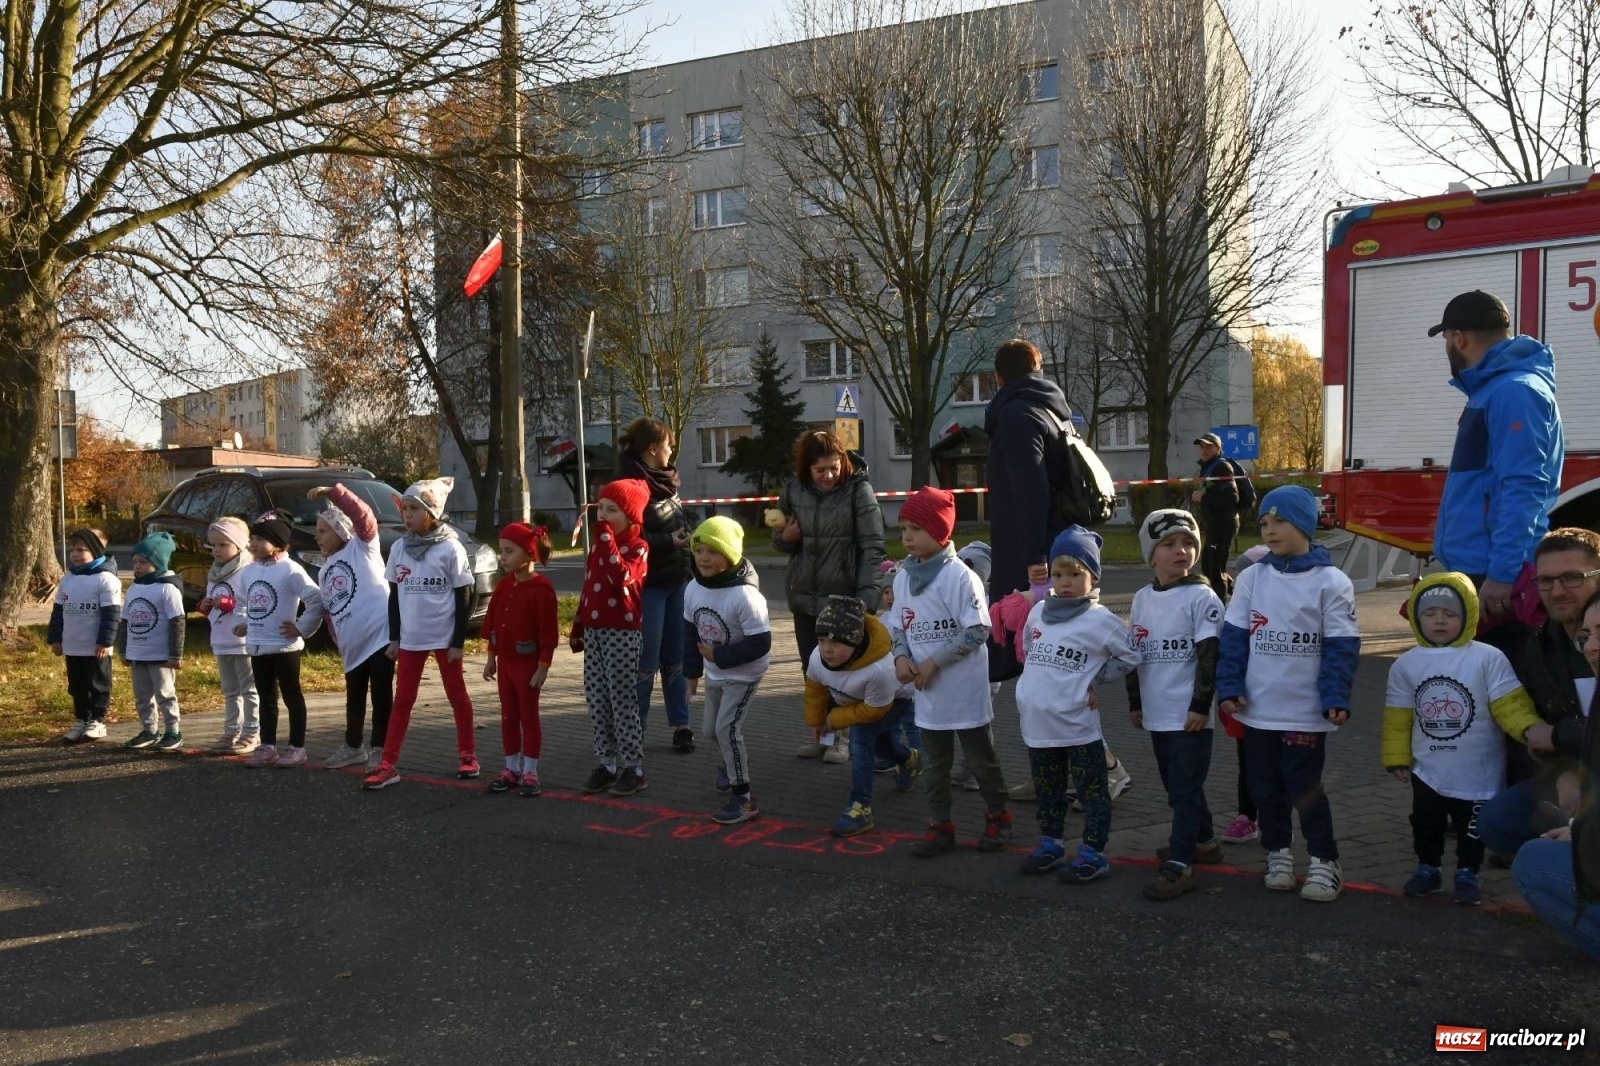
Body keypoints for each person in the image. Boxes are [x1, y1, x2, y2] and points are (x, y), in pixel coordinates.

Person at [1217, 485, 1360, 902]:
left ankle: (1325, 860)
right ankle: (1277, 853)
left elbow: (1341, 646)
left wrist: (1335, 696)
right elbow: (1234, 639)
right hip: (1258, 711)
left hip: (1304, 713)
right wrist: (1230, 686)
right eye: (1264, 522)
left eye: (1280, 521)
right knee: (1265, 789)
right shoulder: (1251, 578)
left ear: (1304, 523)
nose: (1270, 530)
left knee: (1305, 788)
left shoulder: (1332, 582)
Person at [1381, 574, 1548, 906]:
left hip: (1479, 768)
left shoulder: (1488, 658)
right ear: (1416, 617)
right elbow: (1398, 717)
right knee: (1426, 823)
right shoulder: (1405, 664)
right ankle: (1427, 868)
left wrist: (1530, 730)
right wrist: (1396, 757)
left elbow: (1510, 704)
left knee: (1472, 826)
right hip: (1428, 768)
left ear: (1469, 613)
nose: (1439, 620)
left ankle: (1467, 872)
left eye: (1450, 613)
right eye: (1430, 613)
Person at [1428, 290, 1563, 650]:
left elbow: (1524, 488)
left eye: (1446, 338)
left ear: (1459, 338)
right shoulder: (1497, 389)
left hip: (1493, 575)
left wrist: (1503, 574)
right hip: (1483, 569)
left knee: (1504, 680)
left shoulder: (1512, 391)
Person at [1013, 525, 1142, 884]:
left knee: (1091, 791)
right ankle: (1051, 843)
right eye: (1058, 574)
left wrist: (1093, 680)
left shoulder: (1100, 620)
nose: (1065, 582)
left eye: (1075, 574)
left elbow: (1130, 656)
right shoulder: (1039, 611)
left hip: (1076, 726)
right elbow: (1029, 649)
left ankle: (1093, 852)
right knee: (1048, 790)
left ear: (1093, 576)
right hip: (1037, 725)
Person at [888, 487, 1012, 857]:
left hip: (963, 690)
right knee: (934, 764)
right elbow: (898, 626)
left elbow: (977, 630)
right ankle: (940, 825)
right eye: (904, 529)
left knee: (981, 759)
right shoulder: (902, 577)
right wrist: (900, 658)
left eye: (917, 529)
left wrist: (932, 663)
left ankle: (999, 817)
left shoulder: (959, 576)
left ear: (940, 531)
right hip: (929, 695)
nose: (908, 537)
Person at [1479, 528, 1598, 856]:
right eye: (1546, 580)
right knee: (1497, 822)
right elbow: (1535, 735)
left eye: (1572, 578)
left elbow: (1552, 734)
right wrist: (1562, 774)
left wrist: (1558, 736)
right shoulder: (1539, 645)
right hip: (1575, 769)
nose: (1557, 591)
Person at [1127, 509, 1227, 900]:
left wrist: (1201, 705)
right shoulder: (1142, 598)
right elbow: (1135, 653)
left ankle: (1181, 863)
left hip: (1189, 715)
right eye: (1168, 544)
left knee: (1183, 789)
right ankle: (1204, 841)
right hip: (1157, 712)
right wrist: (1135, 702)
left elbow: (1210, 655)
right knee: (1177, 784)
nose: (1180, 550)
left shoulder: (1202, 596)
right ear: (1151, 556)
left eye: (1187, 543)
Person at [772, 429, 885, 763]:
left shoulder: (858, 491)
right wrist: (786, 538)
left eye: (834, 467)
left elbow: (873, 547)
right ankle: (821, 736)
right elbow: (779, 538)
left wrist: (866, 599)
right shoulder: (793, 490)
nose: (828, 475)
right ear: (806, 467)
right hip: (804, 599)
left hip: (843, 600)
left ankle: (842, 740)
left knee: (843, 675)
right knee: (814, 672)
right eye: (820, 470)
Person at [362, 478, 476, 790]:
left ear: (432, 513)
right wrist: (395, 638)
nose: (407, 514)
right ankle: (388, 763)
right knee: (403, 700)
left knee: (457, 695)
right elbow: (394, 597)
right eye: (405, 508)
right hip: (411, 639)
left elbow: (465, 596)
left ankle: (468, 754)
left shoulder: (451, 547)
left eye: (414, 509)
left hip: (444, 638)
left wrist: (457, 641)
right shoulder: (400, 548)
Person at [1511, 590, 1600, 961]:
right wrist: (1581, 830)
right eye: (1586, 636)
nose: (1592, 646)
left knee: (1532, 862)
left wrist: (1584, 839)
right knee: (1516, 821)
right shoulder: (1539, 645)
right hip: (1575, 787)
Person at [983, 338, 1072, 676]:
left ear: (999, 377)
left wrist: (1035, 557)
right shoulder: (1052, 409)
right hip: (1058, 534)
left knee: (1029, 643)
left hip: (1028, 545)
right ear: (1037, 370)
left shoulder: (1015, 414)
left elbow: (1029, 487)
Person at [803, 595, 921, 838]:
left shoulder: (879, 670)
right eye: (822, 640)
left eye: (835, 642)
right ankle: (909, 759)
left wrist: (833, 720)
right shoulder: (817, 657)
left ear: (855, 642)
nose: (826, 649)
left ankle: (860, 807)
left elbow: (874, 711)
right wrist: (816, 720)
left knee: (860, 741)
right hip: (860, 700)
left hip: (892, 701)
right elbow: (815, 688)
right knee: (881, 746)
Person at [681, 516, 771, 825]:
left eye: (713, 552)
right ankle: (733, 760)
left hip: (744, 674)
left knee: (726, 730)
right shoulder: (693, 588)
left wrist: (719, 654)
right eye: (699, 550)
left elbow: (761, 643)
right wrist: (692, 674)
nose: (703, 558)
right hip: (715, 671)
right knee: (711, 731)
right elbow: (689, 633)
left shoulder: (745, 596)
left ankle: (744, 797)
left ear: (730, 556)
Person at [616, 417, 696, 754]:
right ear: (652, 449)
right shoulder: (630, 485)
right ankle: (636, 730)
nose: (671, 452)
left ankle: (682, 725)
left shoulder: (667, 481)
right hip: (648, 585)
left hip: (677, 580)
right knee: (646, 659)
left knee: (676, 657)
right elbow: (626, 536)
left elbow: (674, 521)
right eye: (668, 446)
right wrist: (668, 542)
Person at [570, 479, 652, 797]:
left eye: (612, 510)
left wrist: (605, 538)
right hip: (595, 632)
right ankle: (607, 763)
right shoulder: (598, 546)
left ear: (631, 518)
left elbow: (622, 577)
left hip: (622, 633)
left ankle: (634, 767)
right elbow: (589, 587)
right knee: (597, 698)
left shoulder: (638, 548)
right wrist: (579, 625)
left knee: (621, 700)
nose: (602, 516)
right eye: (600, 508)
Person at [307, 484, 393, 772]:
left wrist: (334, 493)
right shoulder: (324, 570)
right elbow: (330, 612)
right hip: (352, 646)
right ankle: (353, 746)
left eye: (323, 531)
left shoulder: (363, 547)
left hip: (380, 636)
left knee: (381, 695)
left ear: (341, 531)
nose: (317, 537)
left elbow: (363, 515)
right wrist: (338, 640)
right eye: (317, 532)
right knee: (354, 696)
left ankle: (381, 749)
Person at [236, 517, 324, 768]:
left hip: (285, 647)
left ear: (277, 543)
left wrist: (301, 627)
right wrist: (241, 621)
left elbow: (315, 599)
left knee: (291, 695)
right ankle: (267, 746)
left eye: (259, 539)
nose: (252, 543)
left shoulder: (290, 570)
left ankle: (297, 747)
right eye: (251, 538)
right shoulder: (248, 571)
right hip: (257, 645)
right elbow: (241, 601)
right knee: (266, 697)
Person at [482, 522, 558, 798]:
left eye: (509, 551)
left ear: (529, 553)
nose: (502, 557)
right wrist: (491, 657)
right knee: (508, 716)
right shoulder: (503, 586)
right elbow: (493, 624)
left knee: (528, 716)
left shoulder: (542, 590)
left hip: (527, 666)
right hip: (506, 664)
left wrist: (542, 668)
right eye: (501, 551)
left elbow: (548, 635)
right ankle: (511, 767)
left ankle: (530, 770)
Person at [50, 528, 121, 745]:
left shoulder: (106, 579)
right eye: (73, 550)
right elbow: (58, 610)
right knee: (77, 686)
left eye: (81, 550)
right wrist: (55, 638)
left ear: (96, 550)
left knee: (98, 684)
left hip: (96, 647)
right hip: (73, 644)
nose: (75, 554)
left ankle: (97, 720)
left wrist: (104, 641)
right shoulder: (68, 579)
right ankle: (81, 719)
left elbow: (111, 614)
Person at [117, 533, 187, 752]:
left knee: (165, 694)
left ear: (158, 563)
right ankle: (149, 730)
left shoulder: (168, 589)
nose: (137, 567)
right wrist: (124, 651)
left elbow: (177, 622)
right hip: (137, 654)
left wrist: (175, 654)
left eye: (143, 562)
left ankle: (173, 731)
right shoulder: (134, 588)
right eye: (135, 562)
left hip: (160, 655)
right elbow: (125, 621)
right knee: (142, 696)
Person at [196, 517, 258, 756]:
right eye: (213, 545)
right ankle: (231, 730)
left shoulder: (248, 570)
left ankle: (251, 732)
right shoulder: (215, 573)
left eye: (223, 544)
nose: (216, 550)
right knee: (230, 691)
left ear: (240, 544)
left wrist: (227, 603)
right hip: (221, 640)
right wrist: (205, 605)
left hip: (242, 642)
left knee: (249, 690)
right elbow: (211, 605)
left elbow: (252, 603)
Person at [1190, 432, 1240, 596]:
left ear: (1218, 449)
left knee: (1215, 568)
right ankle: (1241, 594)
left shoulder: (1221, 467)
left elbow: (1232, 498)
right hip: (1215, 524)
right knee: (1209, 566)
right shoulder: (1208, 467)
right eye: (1201, 447)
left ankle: (1220, 606)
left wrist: (1203, 497)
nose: (1204, 450)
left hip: (1224, 524)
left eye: (1208, 447)